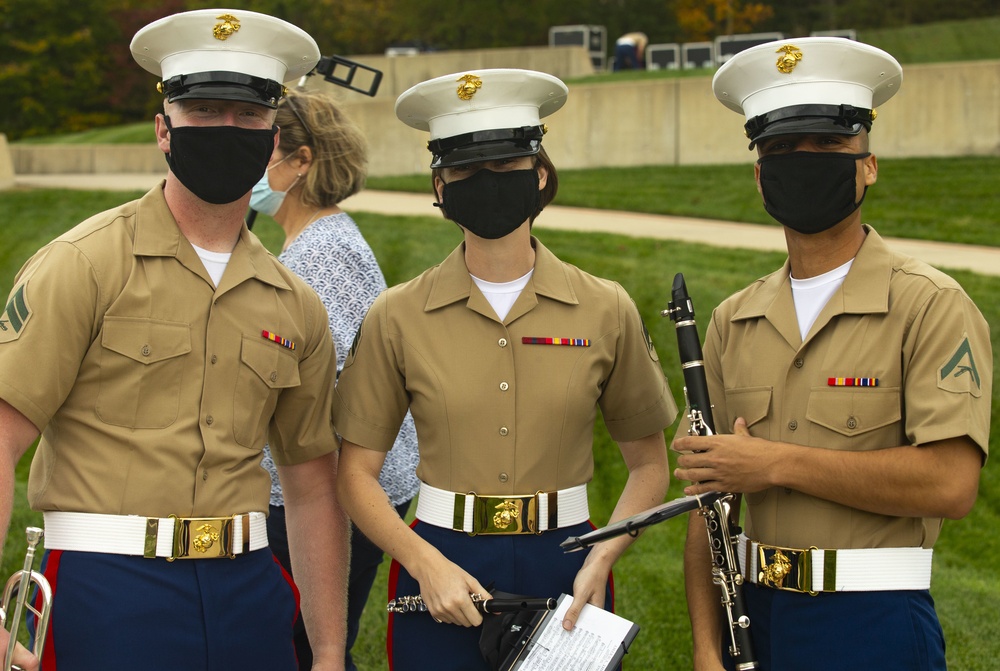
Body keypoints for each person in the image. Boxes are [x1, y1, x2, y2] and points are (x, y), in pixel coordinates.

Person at [0, 9, 350, 671]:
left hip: (249, 588)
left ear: (272, 136)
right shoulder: (82, 264)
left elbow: (309, 486)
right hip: (107, 589)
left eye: (248, 116)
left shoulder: (296, 304)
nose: (226, 129)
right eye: (205, 110)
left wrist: (329, 650)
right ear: (165, 129)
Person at [332, 68, 677, 670]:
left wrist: (602, 558)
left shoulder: (606, 307)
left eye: (505, 165)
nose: (485, 183)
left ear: (539, 175)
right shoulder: (397, 314)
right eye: (464, 170)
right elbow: (356, 473)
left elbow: (649, 465)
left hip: (569, 565)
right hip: (440, 566)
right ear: (439, 185)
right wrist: (421, 562)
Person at [674, 38, 992, 671]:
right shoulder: (732, 320)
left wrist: (774, 464)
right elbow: (709, 505)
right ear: (760, 174)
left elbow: (952, 484)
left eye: (828, 146)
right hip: (755, 617)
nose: (805, 162)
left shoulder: (930, 304)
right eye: (783, 150)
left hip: (872, 622)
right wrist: (706, 647)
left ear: (867, 164)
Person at [252, 88, 420, 671]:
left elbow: (334, 389)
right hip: (327, 491)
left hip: (322, 496)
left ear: (301, 162)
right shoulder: (318, 240)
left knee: (300, 649)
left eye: (262, 146)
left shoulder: (318, 257)